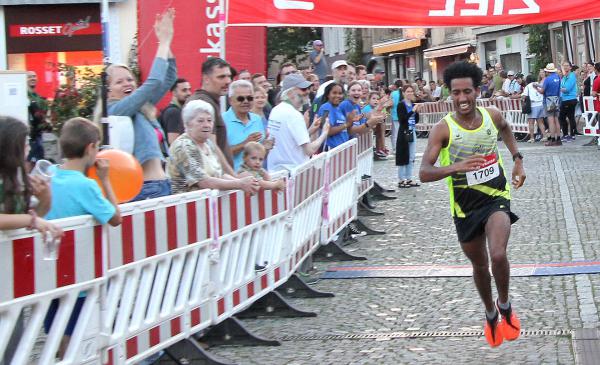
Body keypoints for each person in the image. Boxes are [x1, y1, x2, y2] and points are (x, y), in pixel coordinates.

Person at [419, 61, 525, 348]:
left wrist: (517, 159)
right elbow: (424, 173)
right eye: (456, 93)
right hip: (465, 206)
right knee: (480, 266)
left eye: (467, 91)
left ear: (478, 91)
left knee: (498, 255)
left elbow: (505, 129)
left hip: (496, 197)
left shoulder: (493, 115)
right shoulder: (443, 129)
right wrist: (456, 167)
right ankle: (490, 313)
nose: (462, 98)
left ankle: (504, 305)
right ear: (449, 94)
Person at [43, 117, 122, 356]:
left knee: (55, 329)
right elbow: (115, 218)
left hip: (48, 272)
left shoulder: (48, 177)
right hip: (79, 274)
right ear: (91, 148)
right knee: (75, 331)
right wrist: (106, 179)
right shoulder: (86, 186)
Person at [0, 116, 63, 365]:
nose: (29, 148)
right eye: (24, 143)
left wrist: (44, 195)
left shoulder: (16, 178)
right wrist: (31, 222)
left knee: (12, 338)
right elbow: (28, 220)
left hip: (10, 272)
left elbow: (38, 214)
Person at [107, 8, 176, 200]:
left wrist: (165, 40)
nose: (127, 84)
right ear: (108, 91)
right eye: (119, 82)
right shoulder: (115, 110)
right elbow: (153, 82)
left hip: (161, 184)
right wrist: (163, 42)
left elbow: (169, 77)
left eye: (129, 79)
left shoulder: (141, 109)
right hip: (145, 189)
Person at [168, 100, 260, 194]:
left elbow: (219, 175)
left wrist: (240, 182)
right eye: (200, 121)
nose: (207, 125)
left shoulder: (208, 143)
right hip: (186, 204)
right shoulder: (184, 145)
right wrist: (239, 183)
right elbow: (203, 181)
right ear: (188, 124)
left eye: (209, 120)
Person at [267, 74, 329, 172]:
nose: (308, 91)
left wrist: (311, 129)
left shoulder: (276, 110)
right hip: (292, 174)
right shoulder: (294, 115)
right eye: (303, 89)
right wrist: (324, 133)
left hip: (275, 173)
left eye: (308, 88)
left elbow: (289, 140)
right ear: (290, 93)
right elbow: (309, 150)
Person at [189, 57, 235, 168]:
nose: (228, 81)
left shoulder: (209, 101)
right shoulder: (203, 103)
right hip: (212, 179)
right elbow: (211, 146)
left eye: (229, 76)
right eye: (221, 77)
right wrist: (233, 176)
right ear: (206, 79)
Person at [223, 80, 271, 171]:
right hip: (232, 180)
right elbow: (219, 154)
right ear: (230, 100)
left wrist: (266, 148)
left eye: (249, 98)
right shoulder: (222, 121)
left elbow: (260, 155)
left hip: (256, 178)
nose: (245, 101)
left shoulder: (257, 119)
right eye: (240, 98)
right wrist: (244, 144)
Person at [396, 85, 420, 188]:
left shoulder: (413, 104)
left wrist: (417, 112)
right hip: (404, 131)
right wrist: (413, 111)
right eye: (408, 91)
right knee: (403, 155)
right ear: (404, 93)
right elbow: (403, 120)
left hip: (412, 130)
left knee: (411, 156)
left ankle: (409, 178)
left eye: (411, 91)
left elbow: (416, 120)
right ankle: (401, 180)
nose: (410, 93)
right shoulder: (401, 105)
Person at [318, 82, 353, 150]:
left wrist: (351, 121)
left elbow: (346, 130)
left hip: (342, 149)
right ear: (328, 94)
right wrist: (346, 124)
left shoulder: (340, 108)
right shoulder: (325, 108)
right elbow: (326, 131)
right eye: (334, 93)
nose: (337, 96)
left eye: (340, 93)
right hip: (330, 149)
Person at [534, 63, 562, 146]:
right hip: (556, 99)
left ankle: (552, 139)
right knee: (556, 119)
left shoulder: (547, 79)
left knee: (551, 121)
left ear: (547, 72)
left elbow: (542, 91)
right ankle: (558, 138)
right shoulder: (558, 78)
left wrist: (536, 88)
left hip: (548, 100)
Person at [26, 70, 49, 164]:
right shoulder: (23, 96)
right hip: (29, 136)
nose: (33, 78)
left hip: (39, 136)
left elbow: (45, 115)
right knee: (29, 163)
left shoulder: (39, 98)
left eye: (34, 76)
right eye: (30, 76)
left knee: (38, 163)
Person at [160, 78, 192, 145]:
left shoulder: (175, 111)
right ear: (174, 93)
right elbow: (174, 142)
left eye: (189, 89)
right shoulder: (174, 112)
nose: (189, 93)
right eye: (184, 90)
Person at [522, 75, 547, 143]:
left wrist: (523, 100)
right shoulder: (539, 84)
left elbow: (524, 96)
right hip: (541, 104)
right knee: (540, 122)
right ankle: (544, 136)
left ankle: (532, 138)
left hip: (533, 105)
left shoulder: (528, 86)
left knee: (531, 122)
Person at [559, 61, 579, 141]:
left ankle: (571, 135)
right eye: (564, 66)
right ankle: (566, 134)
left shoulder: (572, 76)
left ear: (570, 67)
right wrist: (561, 89)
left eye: (567, 66)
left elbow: (567, 89)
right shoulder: (564, 77)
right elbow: (562, 88)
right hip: (564, 99)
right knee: (563, 117)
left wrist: (561, 89)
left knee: (569, 117)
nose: (565, 67)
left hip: (570, 99)